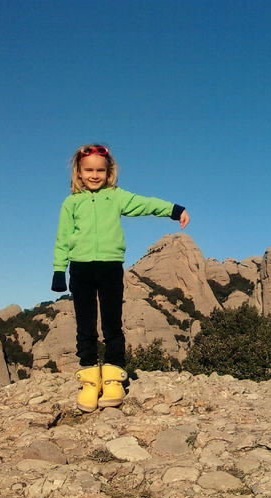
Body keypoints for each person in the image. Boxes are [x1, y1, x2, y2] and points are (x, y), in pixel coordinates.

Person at [51, 144, 190, 412]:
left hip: (111, 268)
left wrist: (174, 210)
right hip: (80, 270)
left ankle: (114, 376)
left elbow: (145, 203)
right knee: (85, 326)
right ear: (79, 173)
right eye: (88, 170)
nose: (94, 175)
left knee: (113, 325)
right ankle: (90, 380)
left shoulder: (116, 197)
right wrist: (59, 269)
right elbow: (62, 238)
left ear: (108, 172)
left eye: (100, 170)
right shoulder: (71, 203)